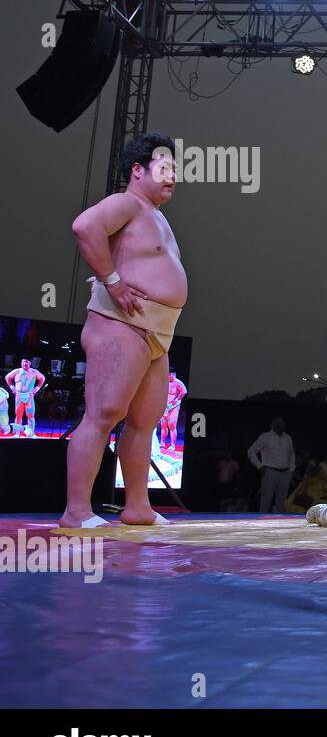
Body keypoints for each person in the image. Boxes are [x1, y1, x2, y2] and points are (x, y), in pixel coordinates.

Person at [62, 133, 185, 528]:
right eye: (164, 169)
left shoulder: (156, 216)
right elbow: (85, 227)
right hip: (120, 323)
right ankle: (77, 511)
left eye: (174, 171)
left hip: (156, 332)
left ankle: (137, 506)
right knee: (103, 414)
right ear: (138, 170)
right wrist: (112, 281)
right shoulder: (125, 203)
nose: (172, 178)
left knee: (144, 421)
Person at [248, 417, 295, 513]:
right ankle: (262, 521)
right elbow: (251, 451)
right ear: (272, 424)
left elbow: (292, 454)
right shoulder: (265, 437)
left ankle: (280, 523)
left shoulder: (288, 438)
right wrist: (259, 465)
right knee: (266, 499)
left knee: (282, 501)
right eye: (277, 423)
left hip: (285, 472)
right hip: (269, 471)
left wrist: (291, 469)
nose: (280, 425)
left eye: (282, 423)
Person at [6, 359, 46, 439]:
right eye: (23, 362)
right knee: (18, 415)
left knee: (30, 415)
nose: (24, 363)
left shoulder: (34, 372)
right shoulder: (17, 371)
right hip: (19, 395)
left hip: (29, 395)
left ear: (30, 363)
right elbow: (7, 377)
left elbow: (42, 378)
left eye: (26, 362)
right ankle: (17, 434)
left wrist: (37, 388)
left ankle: (31, 433)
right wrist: (12, 387)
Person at [158, 370, 187, 450]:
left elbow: (184, 392)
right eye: (168, 374)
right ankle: (162, 443)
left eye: (171, 375)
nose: (169, 376)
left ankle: (173, 445)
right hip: (164, 406)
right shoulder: (164, 381)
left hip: (173, 406)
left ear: (174, 374)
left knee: (172, 425)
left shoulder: (178, 382)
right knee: (163, 426)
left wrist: (177, 399)